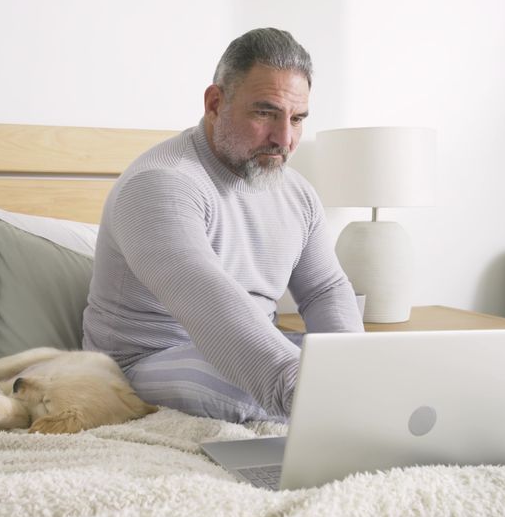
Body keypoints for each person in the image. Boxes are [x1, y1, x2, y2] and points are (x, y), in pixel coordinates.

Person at [81, 28, 364, 423]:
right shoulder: (160, 184)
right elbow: (209, 302)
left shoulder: (298, 193)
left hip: (247, 347)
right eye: (264, 113)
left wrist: (356, 366)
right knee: (258, 393)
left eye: (297, 119)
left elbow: (324, 289)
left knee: (383, 371)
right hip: (144, 362)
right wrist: (309, 388)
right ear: (215, 103)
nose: (284, 138)